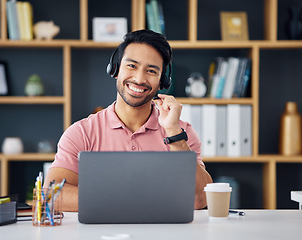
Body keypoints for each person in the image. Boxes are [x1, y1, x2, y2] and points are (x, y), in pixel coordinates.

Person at [44, 29, 212, 211]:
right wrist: (131, 199)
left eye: (151, 71)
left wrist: (174, 135)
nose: (139, 79)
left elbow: (200, 199)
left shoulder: (181, 134)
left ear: (163, 81)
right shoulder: (82, 132)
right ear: (115, 69)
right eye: (131, 66)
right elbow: (53, 195)